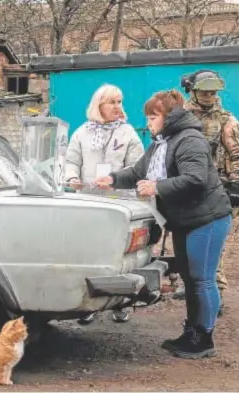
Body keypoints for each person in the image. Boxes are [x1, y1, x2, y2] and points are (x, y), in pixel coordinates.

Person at [96, 90, 232, 358]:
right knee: (191, 279)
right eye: (148, 117)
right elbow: (137, 173)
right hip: (185, 220)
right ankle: (192, 332)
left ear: (169, 117)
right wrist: (111, 179)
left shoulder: (189, 140)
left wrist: (157, 187)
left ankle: (204, 338)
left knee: (202, 280)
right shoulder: (161, 143)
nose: (148, 122)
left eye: (153, 116)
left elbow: (195, 179)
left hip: (207, 219)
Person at [65, 84, 144, 324]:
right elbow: (70, 161)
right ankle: (88, 305)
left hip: (118, 203)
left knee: (118, 255)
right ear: (99, 106)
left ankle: (120, 303)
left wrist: (117, 182)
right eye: (112, 102)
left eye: (120, 102)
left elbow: (138, 167)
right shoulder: (82, 132)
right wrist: (71, 178)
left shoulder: (128, 133)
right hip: (88, 202)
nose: (118, 107)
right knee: (89, 253)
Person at [174, 69, 239, 316]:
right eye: (205, 92)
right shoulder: (182, 117)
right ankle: (190, 285)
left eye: (213, 92)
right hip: (187, 186)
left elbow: (236, 154)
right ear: (193, 90)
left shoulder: (226, 121)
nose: (210, 96)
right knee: (186, 238)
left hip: (216, 189)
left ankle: (216, 293)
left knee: (214, 244)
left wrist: (234, 185)